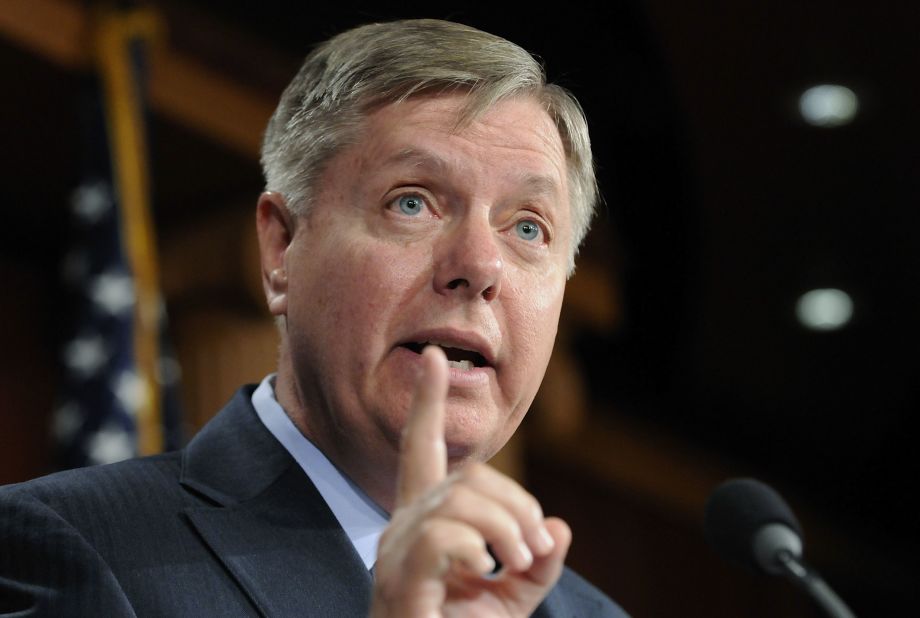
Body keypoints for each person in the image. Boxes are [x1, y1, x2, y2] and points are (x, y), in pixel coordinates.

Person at [0, 18, 627, 617]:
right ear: (281, 251)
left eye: (527, 227)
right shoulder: (75, 548)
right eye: (412, 202)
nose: (479, 264)